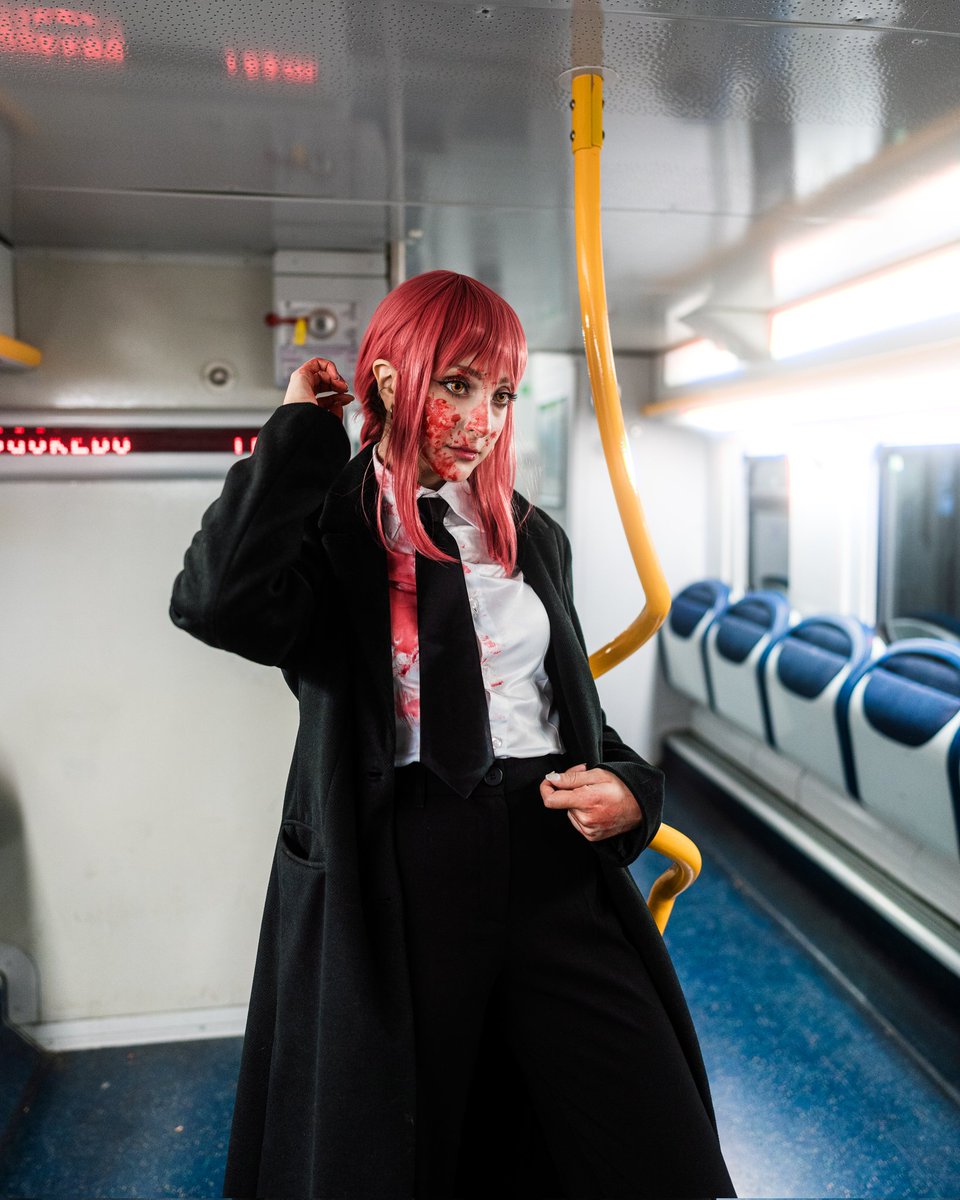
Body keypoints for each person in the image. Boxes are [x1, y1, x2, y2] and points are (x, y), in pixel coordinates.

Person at [170, 269, 735, 1200]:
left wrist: (633, 790)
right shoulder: (330, 529)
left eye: (502, 395)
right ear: (392, 380)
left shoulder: (529, 537)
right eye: (458, 384)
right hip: (399, 861)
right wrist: (300, 430)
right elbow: (215, 600)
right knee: (406, 1150)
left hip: (551, 857)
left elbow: (572, 715)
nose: (481, 421)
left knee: (654, 1140)